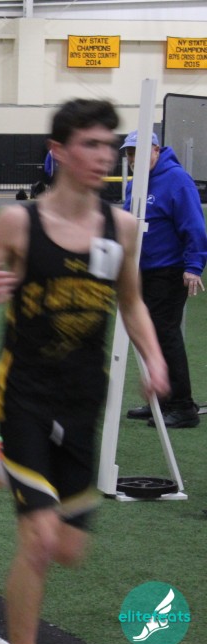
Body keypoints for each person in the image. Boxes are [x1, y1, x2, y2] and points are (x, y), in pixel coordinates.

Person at [0, 98, 169, 644]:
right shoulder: (20, 223)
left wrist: (154, 358)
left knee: (70, 549)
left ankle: (0, 462)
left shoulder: (121, 228)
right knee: (41, 542)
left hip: (82, 399)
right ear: (58, 151)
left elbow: (131, 303)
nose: (103, 156)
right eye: (89, 144)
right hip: (24, 396)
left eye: (108, 146)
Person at [121, 130, 207, 428]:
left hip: (168, 271)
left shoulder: (177, 180)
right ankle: (160, 401)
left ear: (156, 150)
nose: (133, 158)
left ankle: (182, 406)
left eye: (139, 151)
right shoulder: (135, 184)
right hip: (140, 271)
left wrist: (194, 265)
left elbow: (194, 226)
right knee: (149, 334)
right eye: (130, 153)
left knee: (165, 334)